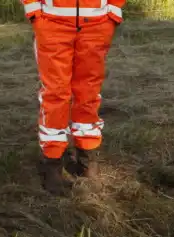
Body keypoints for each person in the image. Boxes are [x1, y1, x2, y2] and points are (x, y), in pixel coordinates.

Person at [23, 0, 125, 195]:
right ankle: (52, 163)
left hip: (97, 24)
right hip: (52, 23)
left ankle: (87, 159)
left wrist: (113, 12)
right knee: (55, 95)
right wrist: (35, 12)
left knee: (88, 93)